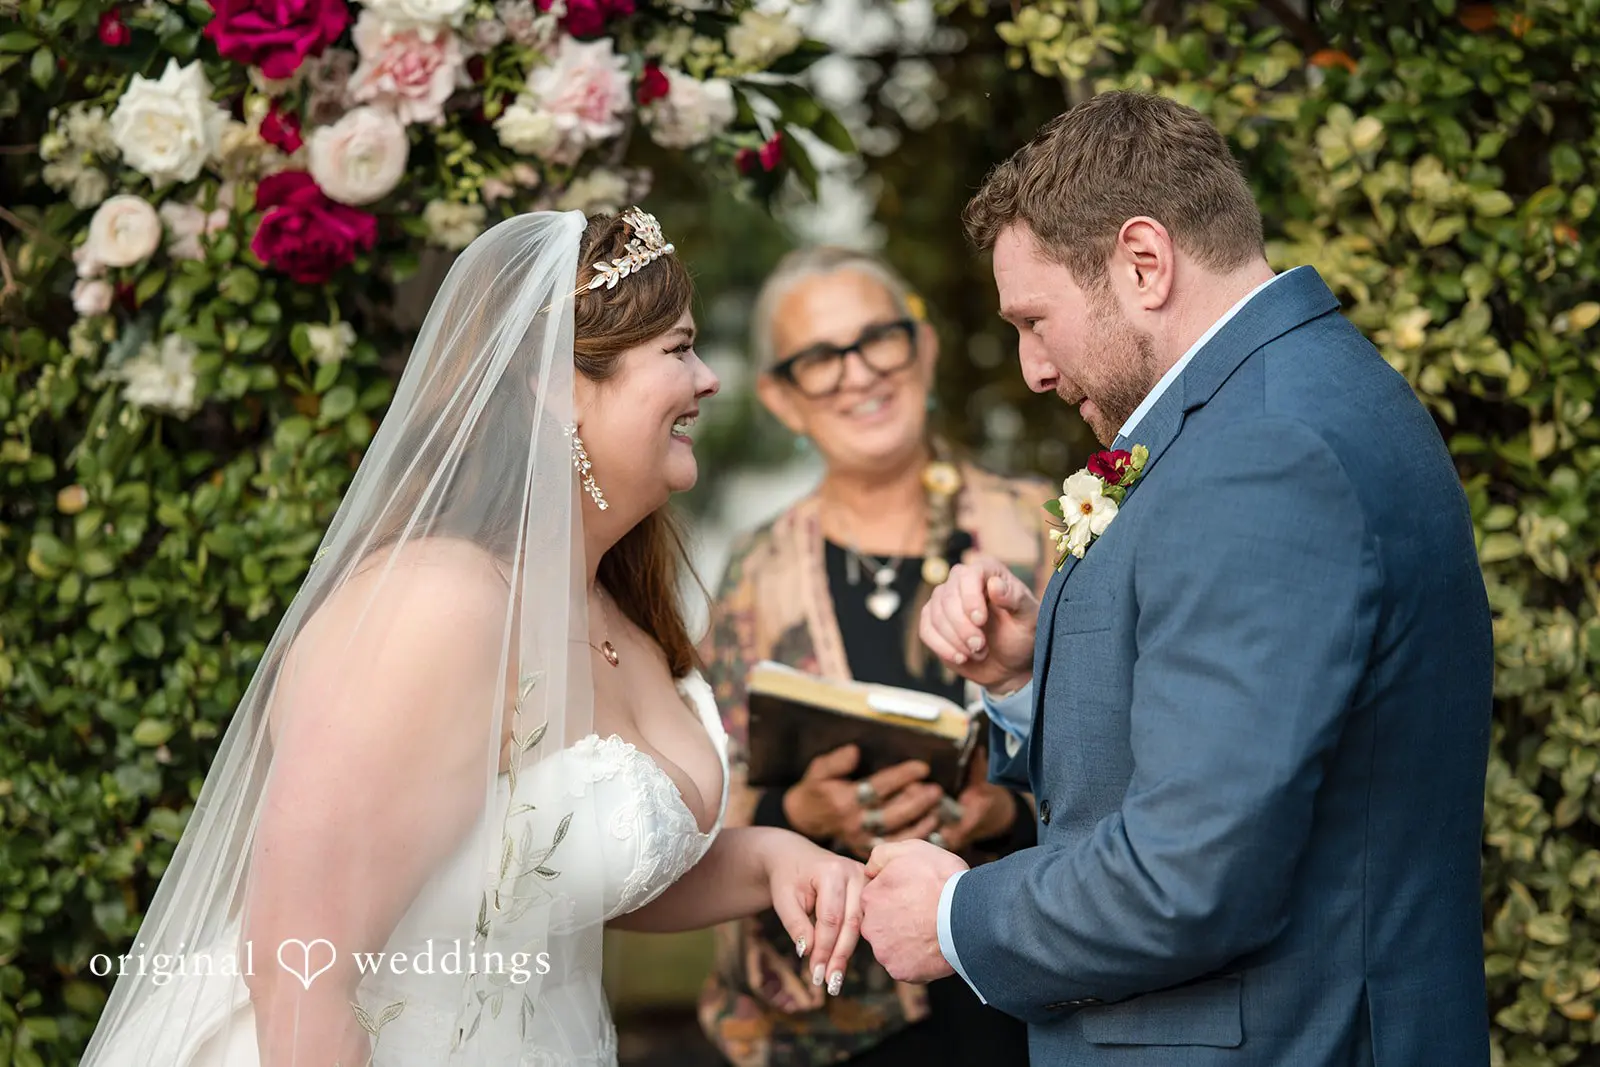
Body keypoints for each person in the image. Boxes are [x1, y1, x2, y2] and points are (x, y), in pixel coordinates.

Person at [80, 208, 871, 1067]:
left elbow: (548, 877)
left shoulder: (610, 608)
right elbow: (296, 963)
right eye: (678, 350)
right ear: (558, 385)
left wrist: (769, 862)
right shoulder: (439, 606)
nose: (709, 378)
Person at [861, 91, 1494, 1066]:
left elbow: (1188, 875)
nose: (1031, 367)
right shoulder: (1268, 399)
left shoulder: (1266, 451)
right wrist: (1031, 677)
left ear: (1143, 263)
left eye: (1036, 320)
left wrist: (952, 917)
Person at [696, 246, 1044, 1067]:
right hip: (836, 1022)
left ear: (920, 347)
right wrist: (806, 819)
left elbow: (1126, 759)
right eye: (818, 359)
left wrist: (1008, 811)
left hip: (1027, 998)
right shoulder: (753, 573)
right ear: (781, 397)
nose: (857, 375)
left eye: (877, 340)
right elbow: (709, 806)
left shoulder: (1045, 528)